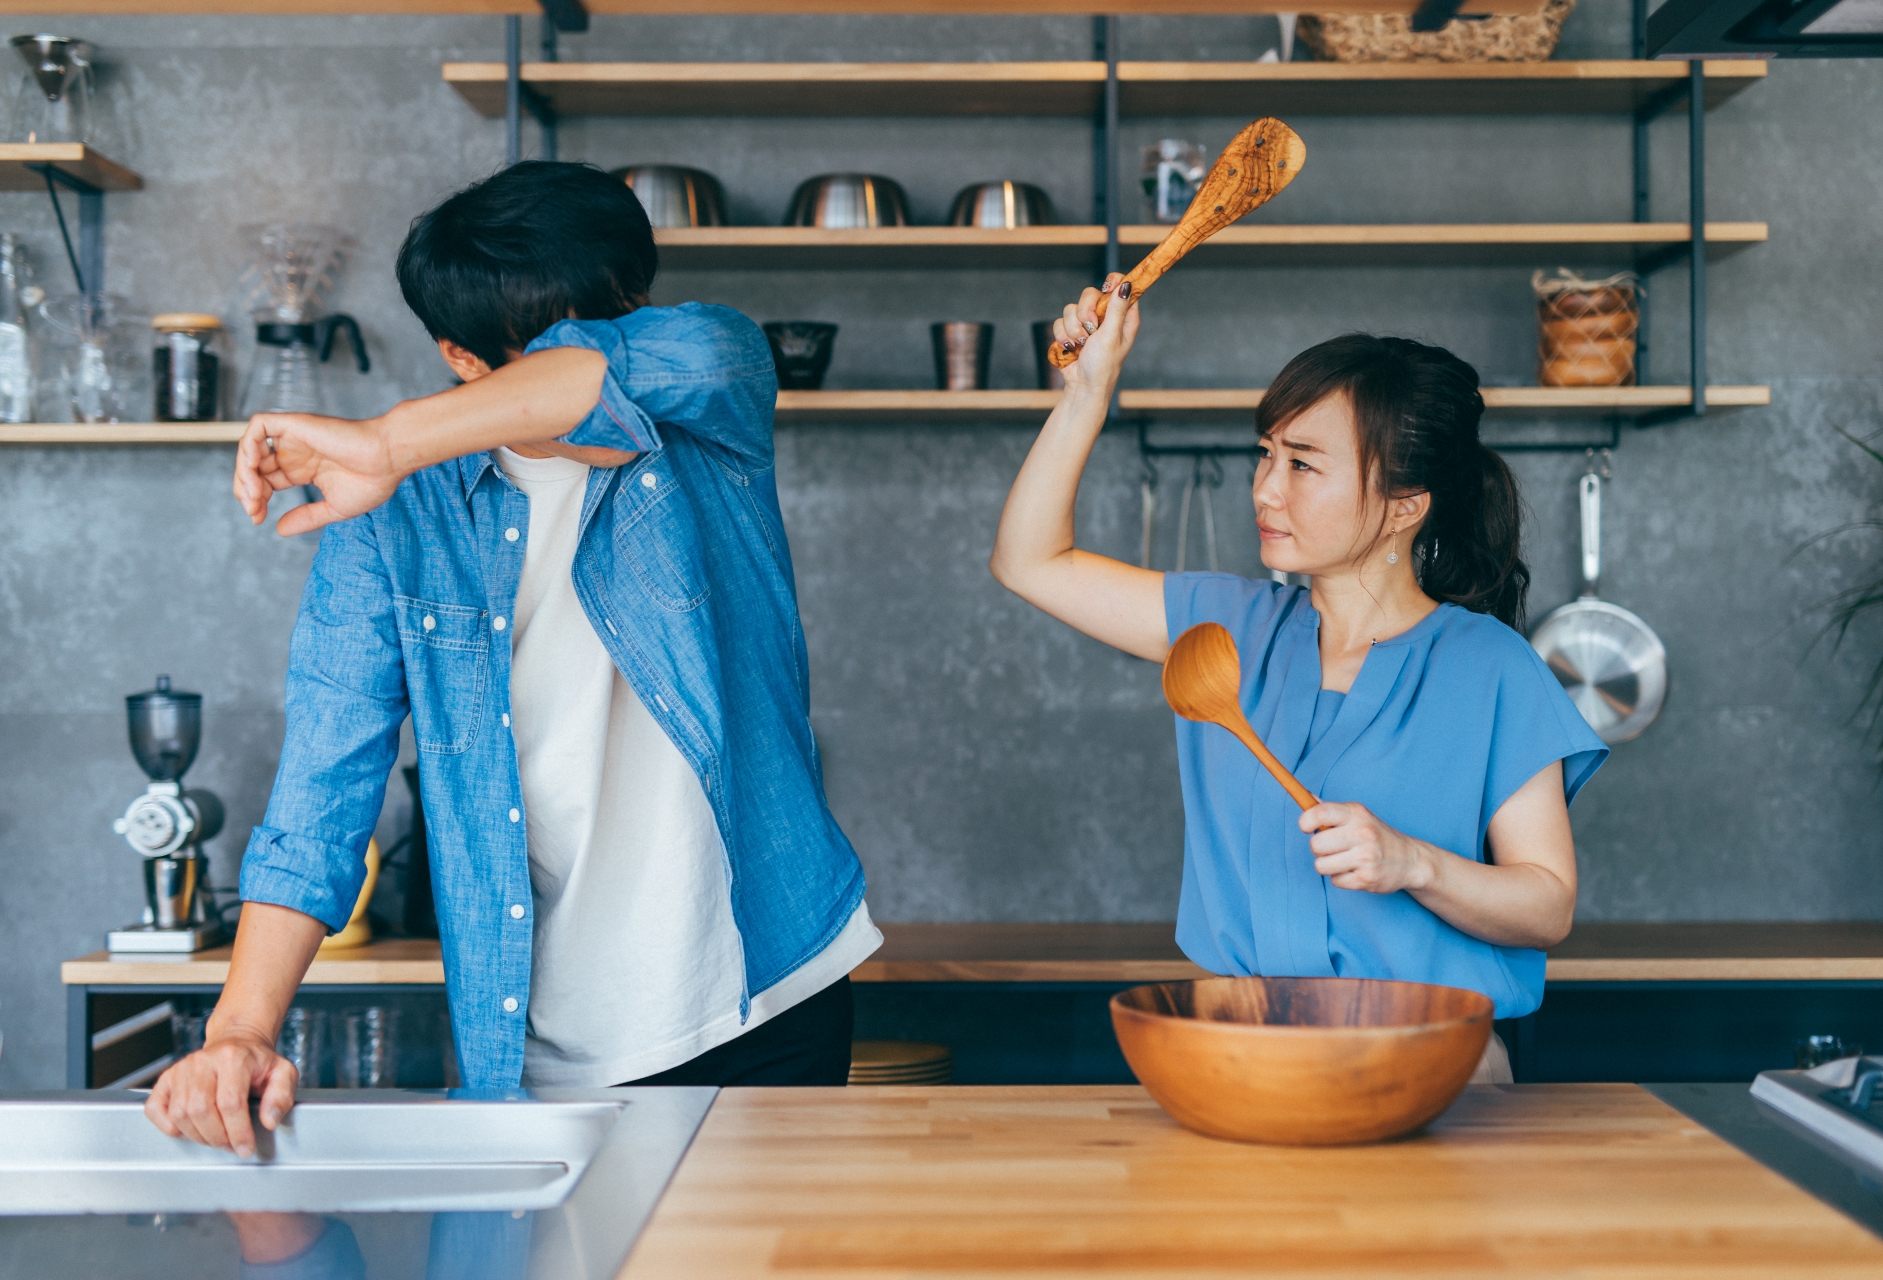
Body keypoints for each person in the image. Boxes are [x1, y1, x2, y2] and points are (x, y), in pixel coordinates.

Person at [146, 161, 879, 1155]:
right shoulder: (396, 517)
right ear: (460, 357)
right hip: (541, 1045)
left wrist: (387, 439)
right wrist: (239, 1028)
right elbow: (324, 772)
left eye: (621, 320)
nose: (603, 360)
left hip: (764, 994)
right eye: (545, 349)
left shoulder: (716, 386)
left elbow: (612, 371)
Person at [991, 277, 1607, 1082]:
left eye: (1304, 464)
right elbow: (1029, 562)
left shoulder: (1491, 668)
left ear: (1402, 505)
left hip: (1431, 1069)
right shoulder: (1223, 630)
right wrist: (1087, 393)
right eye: (1267, 455)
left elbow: (1546, 905)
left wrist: (1410, 862)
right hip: (1241, 1053)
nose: (1265, 489)